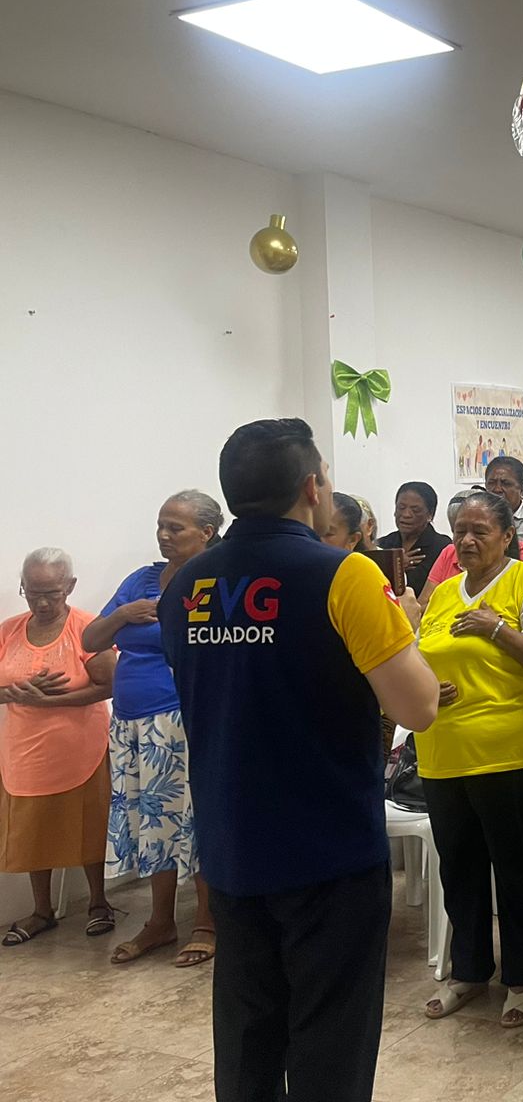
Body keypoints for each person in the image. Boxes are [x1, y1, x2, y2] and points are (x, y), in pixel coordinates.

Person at [159, 418, 440, 1102]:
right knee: (330, 1038)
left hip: (231, 842)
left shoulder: (186, 585)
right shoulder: (344, 575)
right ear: (312, 488)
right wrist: (403, 624)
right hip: (327, 848)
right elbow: (419, 708)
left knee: (248, 1033)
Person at [414, 490, 523, 1028]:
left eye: (480, 531)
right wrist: (426, 687)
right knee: (459, 865)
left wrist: (495, 628)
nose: (468, 540)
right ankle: (469, 971)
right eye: (460, 532)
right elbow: (420, 654)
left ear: (507, 536)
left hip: (508, 751)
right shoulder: (444, 592)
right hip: (443, 751)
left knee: (514, 867)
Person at [84, 491, 222, 967]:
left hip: (179, 718)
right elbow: (91, 638)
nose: (164, 535)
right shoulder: (140, 579)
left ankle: (207, 921)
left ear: (207, 532)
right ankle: (160, 921)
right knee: (150, 824)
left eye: (175, 528)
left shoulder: (210, 581)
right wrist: (124, 614)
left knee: (191, 820)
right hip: (129, 722)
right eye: (161, 526)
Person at [0, 548, 116, 947]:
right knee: (35, 829)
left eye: (52, 593)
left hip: (80, 747)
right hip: (24, 751)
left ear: (70, 586)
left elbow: (109, 684)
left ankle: (99, 903)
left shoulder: (88, 628)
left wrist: (51, 702)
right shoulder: (9, 631)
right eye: (33, 593)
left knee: (89, 825)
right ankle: (42, 911)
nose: (43, 603)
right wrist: (15, 692)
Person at [378, 481, 451, 594]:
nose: (406, 514)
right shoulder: (383, 544)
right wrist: (395, 568)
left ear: (430, 514)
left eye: (415, 510)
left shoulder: (442, 546)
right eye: (401, 507)